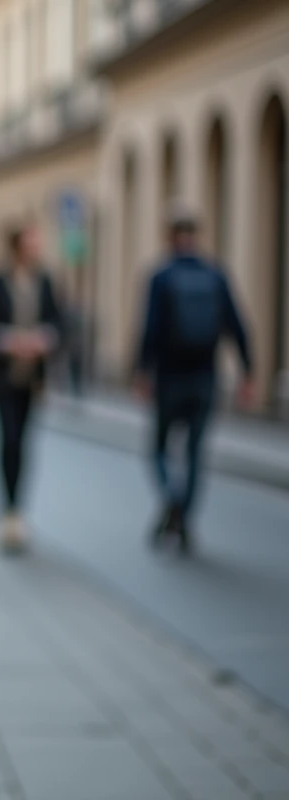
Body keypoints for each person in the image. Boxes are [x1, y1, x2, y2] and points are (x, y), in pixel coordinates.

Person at [134, 211, 254, 555]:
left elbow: (151, 329)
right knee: (195, 453)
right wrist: (248, 372)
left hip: (169, 377)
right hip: (205, 378)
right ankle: (184, 518)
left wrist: (142, 371)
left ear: (170, 237)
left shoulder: (161, 276)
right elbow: (237, 325)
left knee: (158, 448)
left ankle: (172, 500)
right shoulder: (215, 274)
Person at [0, 224, 63, 553]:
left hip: (31, 379)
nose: (35, 248)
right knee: (7, 440)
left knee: (23, 443)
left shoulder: (44, 282)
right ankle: (7, 510)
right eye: (30, 242)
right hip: (3, 377)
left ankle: (18, 509)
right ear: (16, 247)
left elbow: (57, 321)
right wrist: (6, 341)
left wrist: (44, 339)